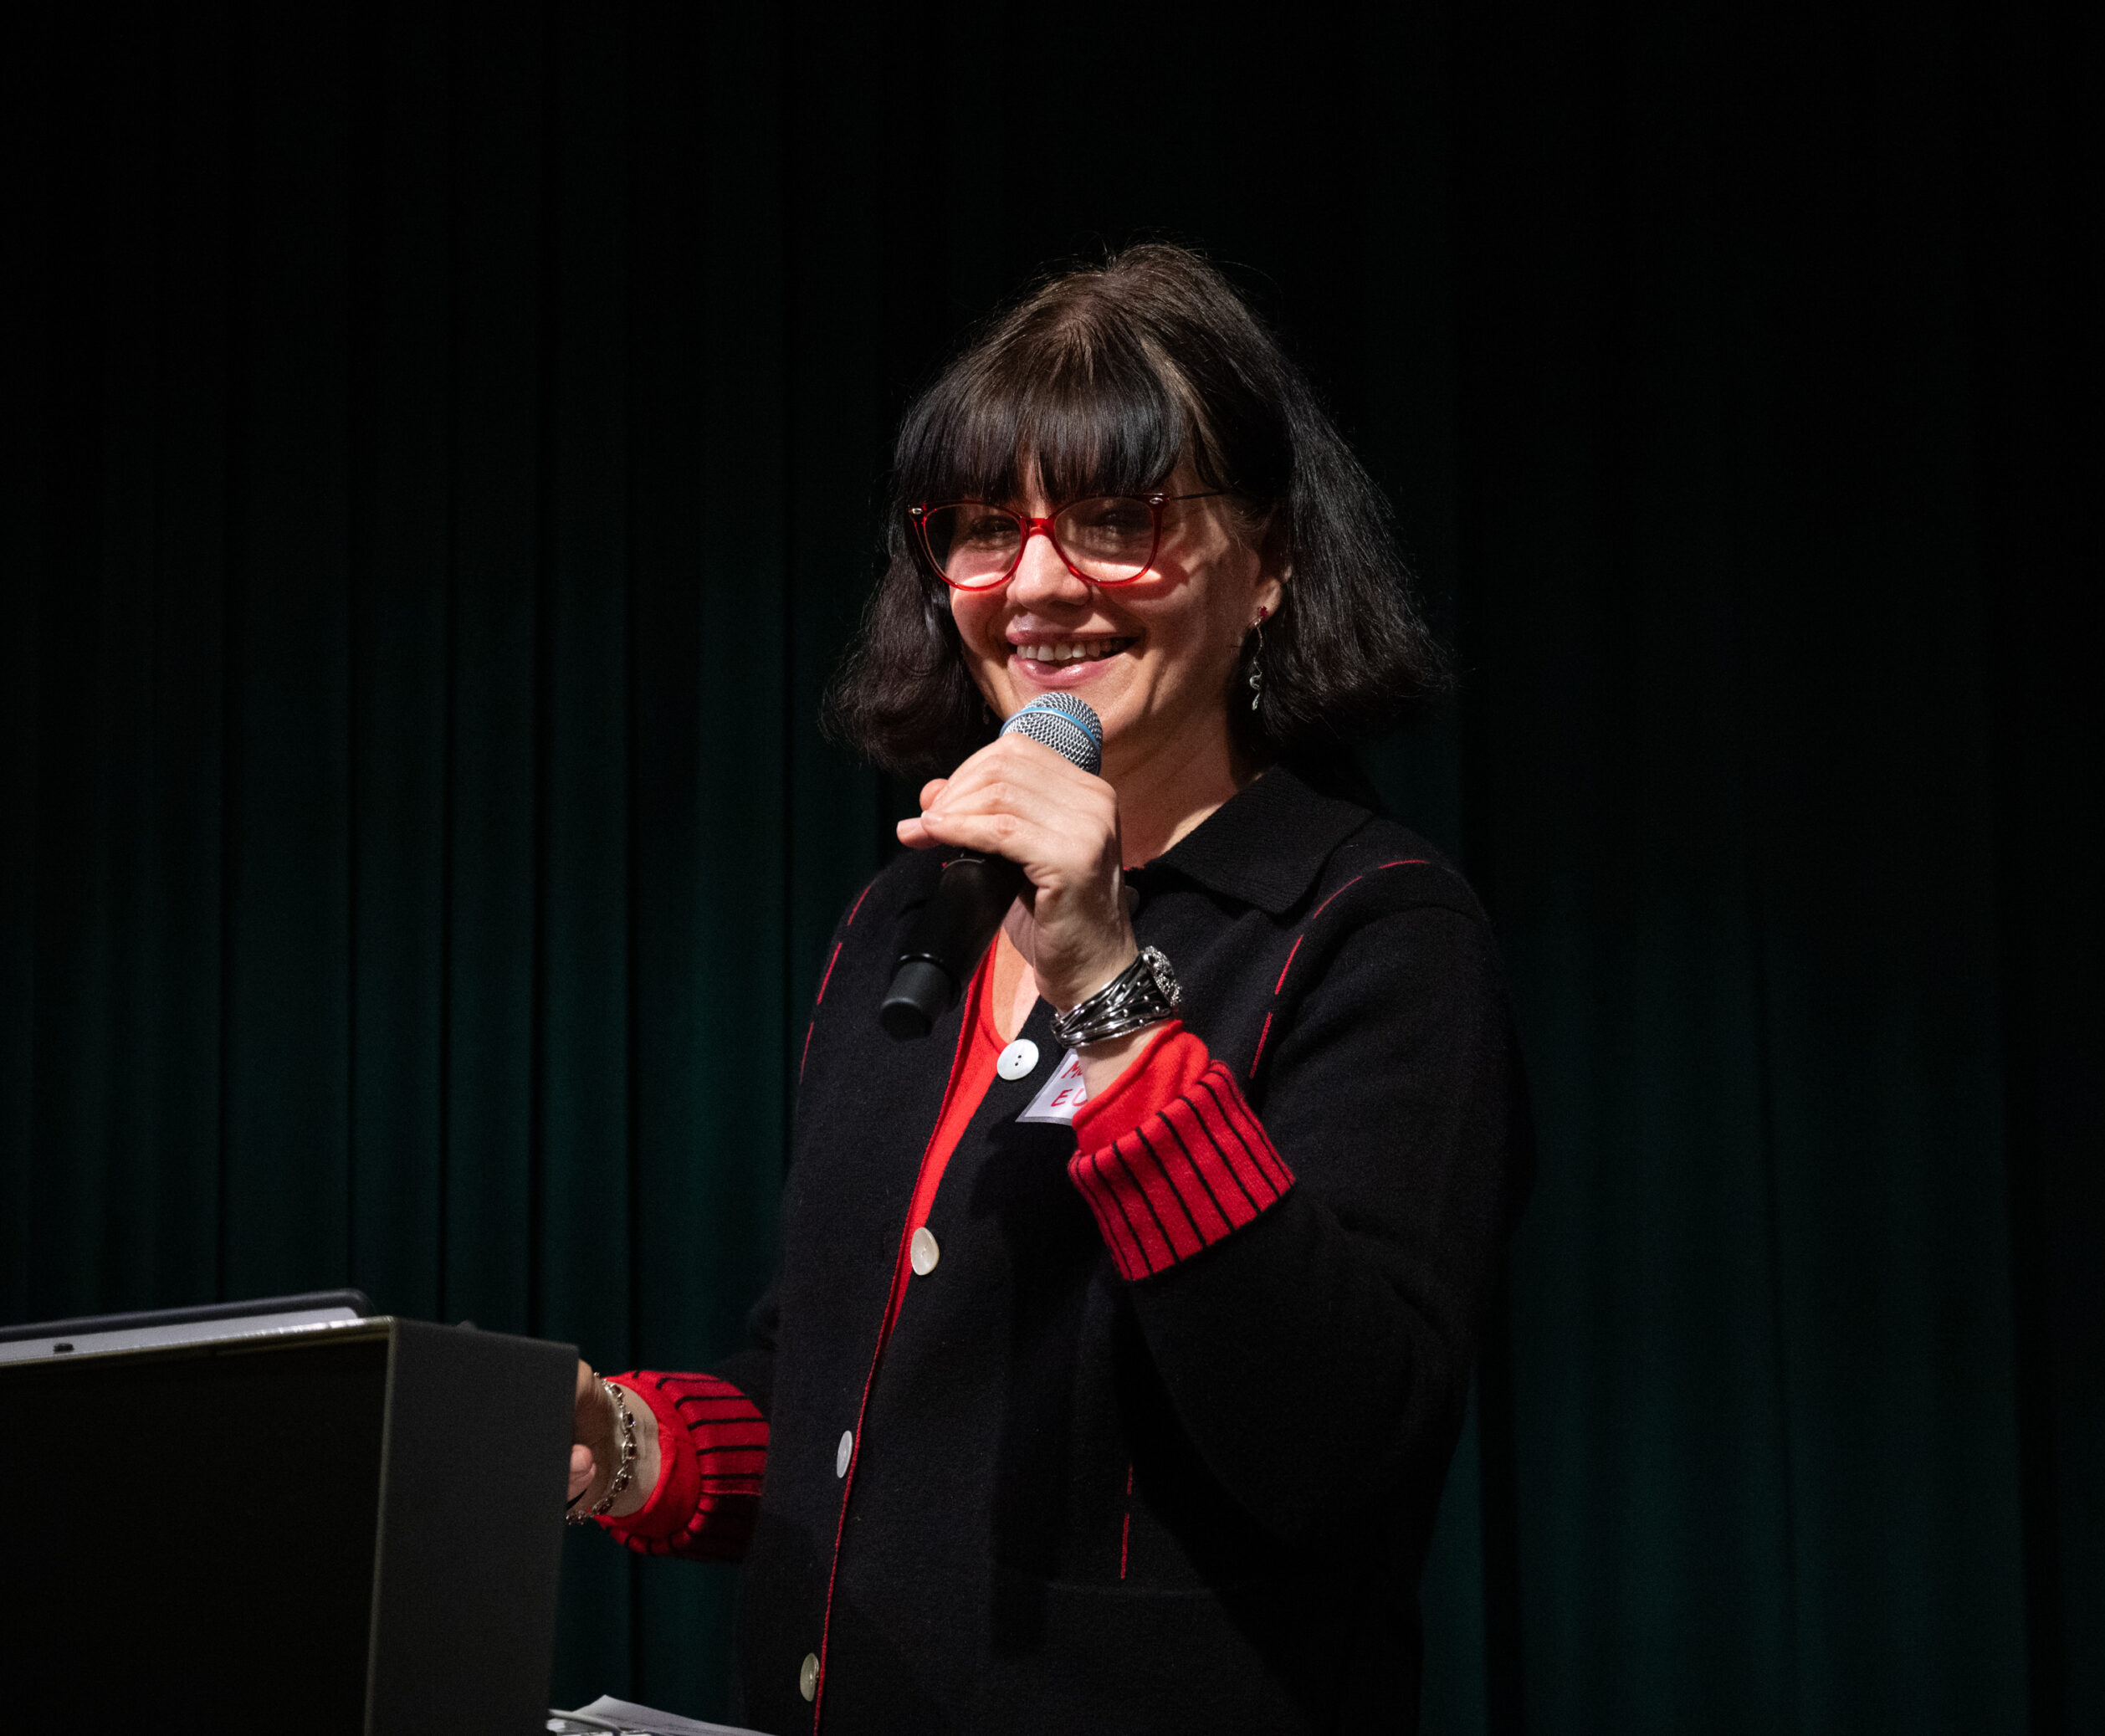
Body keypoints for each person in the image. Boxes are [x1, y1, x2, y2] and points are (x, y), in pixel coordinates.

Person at [562, 243, 1532, 1734]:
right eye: (979, 530)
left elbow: (1338, 1445)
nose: (1034, 586)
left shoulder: (1373, 929)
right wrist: (629, 1447)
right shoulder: (903, 919)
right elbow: (843, 1394)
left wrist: (1106, 980)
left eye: (1116, 522)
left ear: (1271, 562)